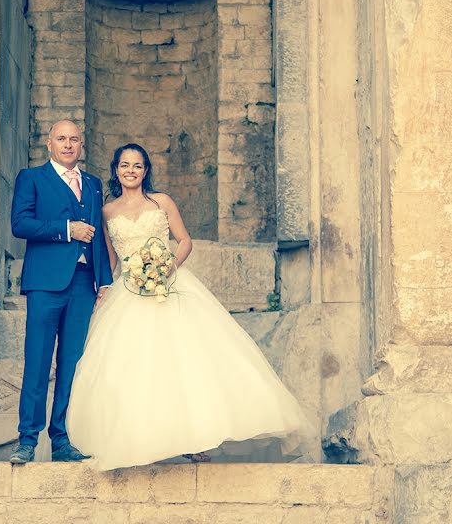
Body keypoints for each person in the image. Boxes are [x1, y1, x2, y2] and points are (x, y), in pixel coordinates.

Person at [65, 143, 311, 471]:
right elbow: (111, 257)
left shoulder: (162, 201)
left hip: (170, 285)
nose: (131, 171)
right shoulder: (107, 211)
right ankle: (142, 440)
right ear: (116, 170)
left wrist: (167, 266)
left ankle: (195, 441)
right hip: (129, 290)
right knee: (136, 367)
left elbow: (185, 241)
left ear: (146, 170)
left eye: (137, 165)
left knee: (185, 361)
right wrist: (104, 287)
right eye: (125, 165)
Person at [8, 120, 113, 464]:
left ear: (81, 145)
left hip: (83, 285)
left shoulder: (94, 185)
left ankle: (62, 439)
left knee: (71, 364)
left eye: (74, 139)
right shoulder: (32, 178)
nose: (68, 144)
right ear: (49, 144)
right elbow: (20, 224)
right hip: (45, 283)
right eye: (61, 139)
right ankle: (27, 439)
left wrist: (104, 280)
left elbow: (98, 236)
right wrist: (66, 229)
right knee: (37, 361)